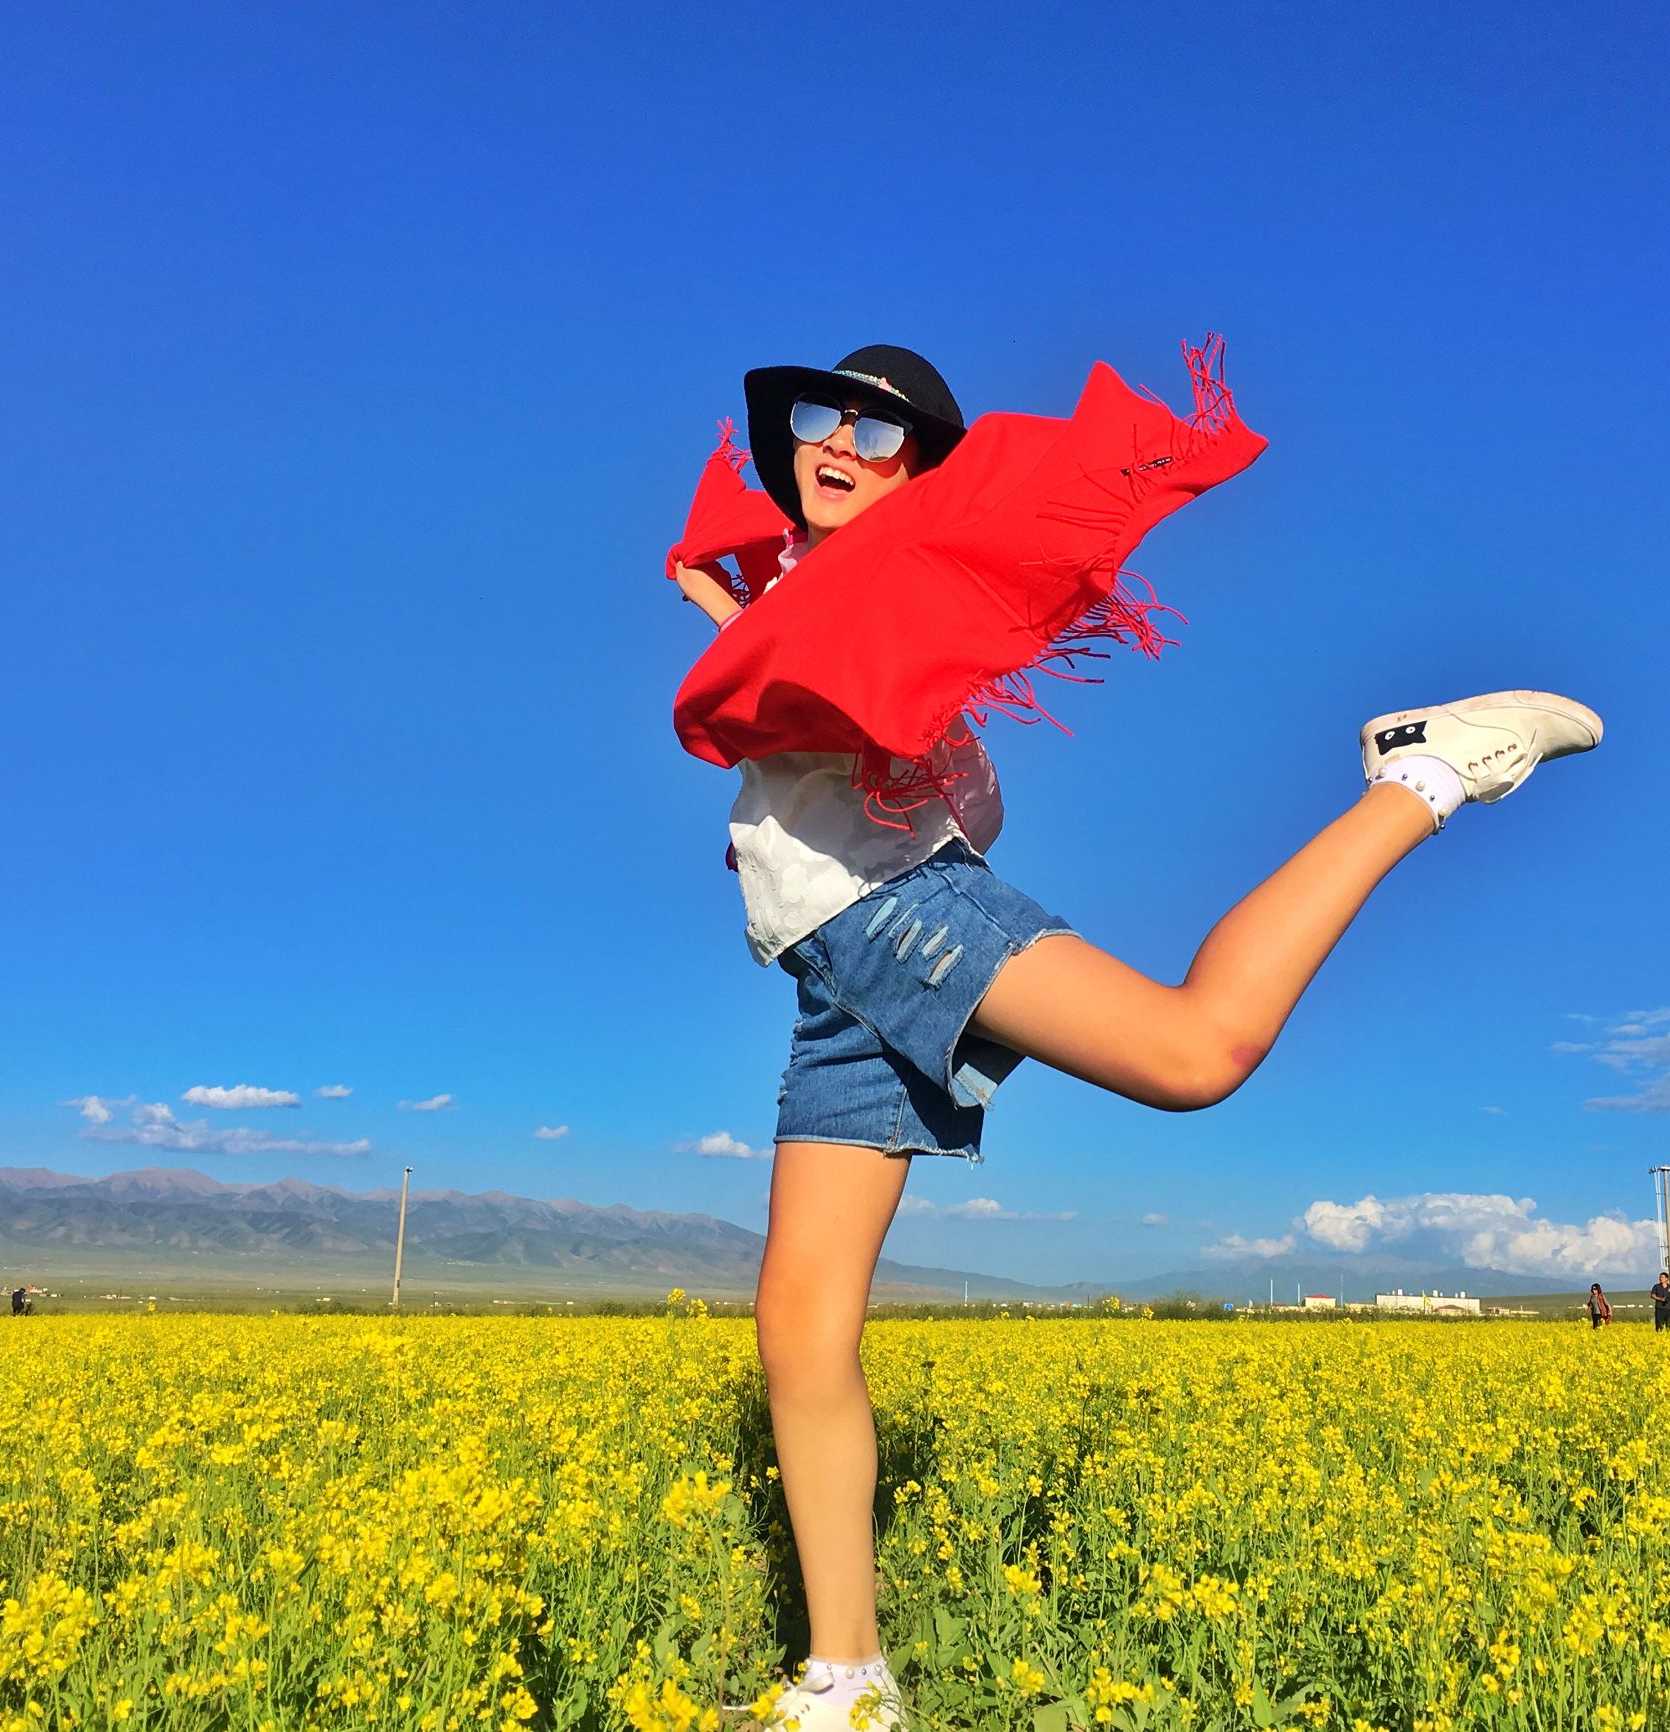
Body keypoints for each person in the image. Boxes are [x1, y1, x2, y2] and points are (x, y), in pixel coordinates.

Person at [668, 345, 1605, 1729]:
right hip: (835, 971)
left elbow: (830, 693)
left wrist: (737, 620)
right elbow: (804, 671)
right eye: (823, 420)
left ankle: (1427, 768)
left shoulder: (864, 585)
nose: (839, 444)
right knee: (800, 1329)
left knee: (1191, 1051)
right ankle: (845, 1680)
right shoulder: (818, 597)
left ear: (923, 475)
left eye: (882, 434)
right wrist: (724, 604)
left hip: (902, 920)